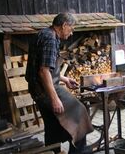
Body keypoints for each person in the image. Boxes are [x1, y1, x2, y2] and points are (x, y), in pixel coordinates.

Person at [25, 13, 93, 154]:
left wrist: (64, 79)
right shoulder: (50, 39)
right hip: (44, 91)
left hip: (37, 90)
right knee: (79, 113)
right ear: (64, 25)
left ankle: (53, 151)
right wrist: (54, 98)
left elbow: (45, 67)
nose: (72, 32)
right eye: (71, 28)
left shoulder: (44, 33)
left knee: (52, 124)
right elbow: (43, 72)